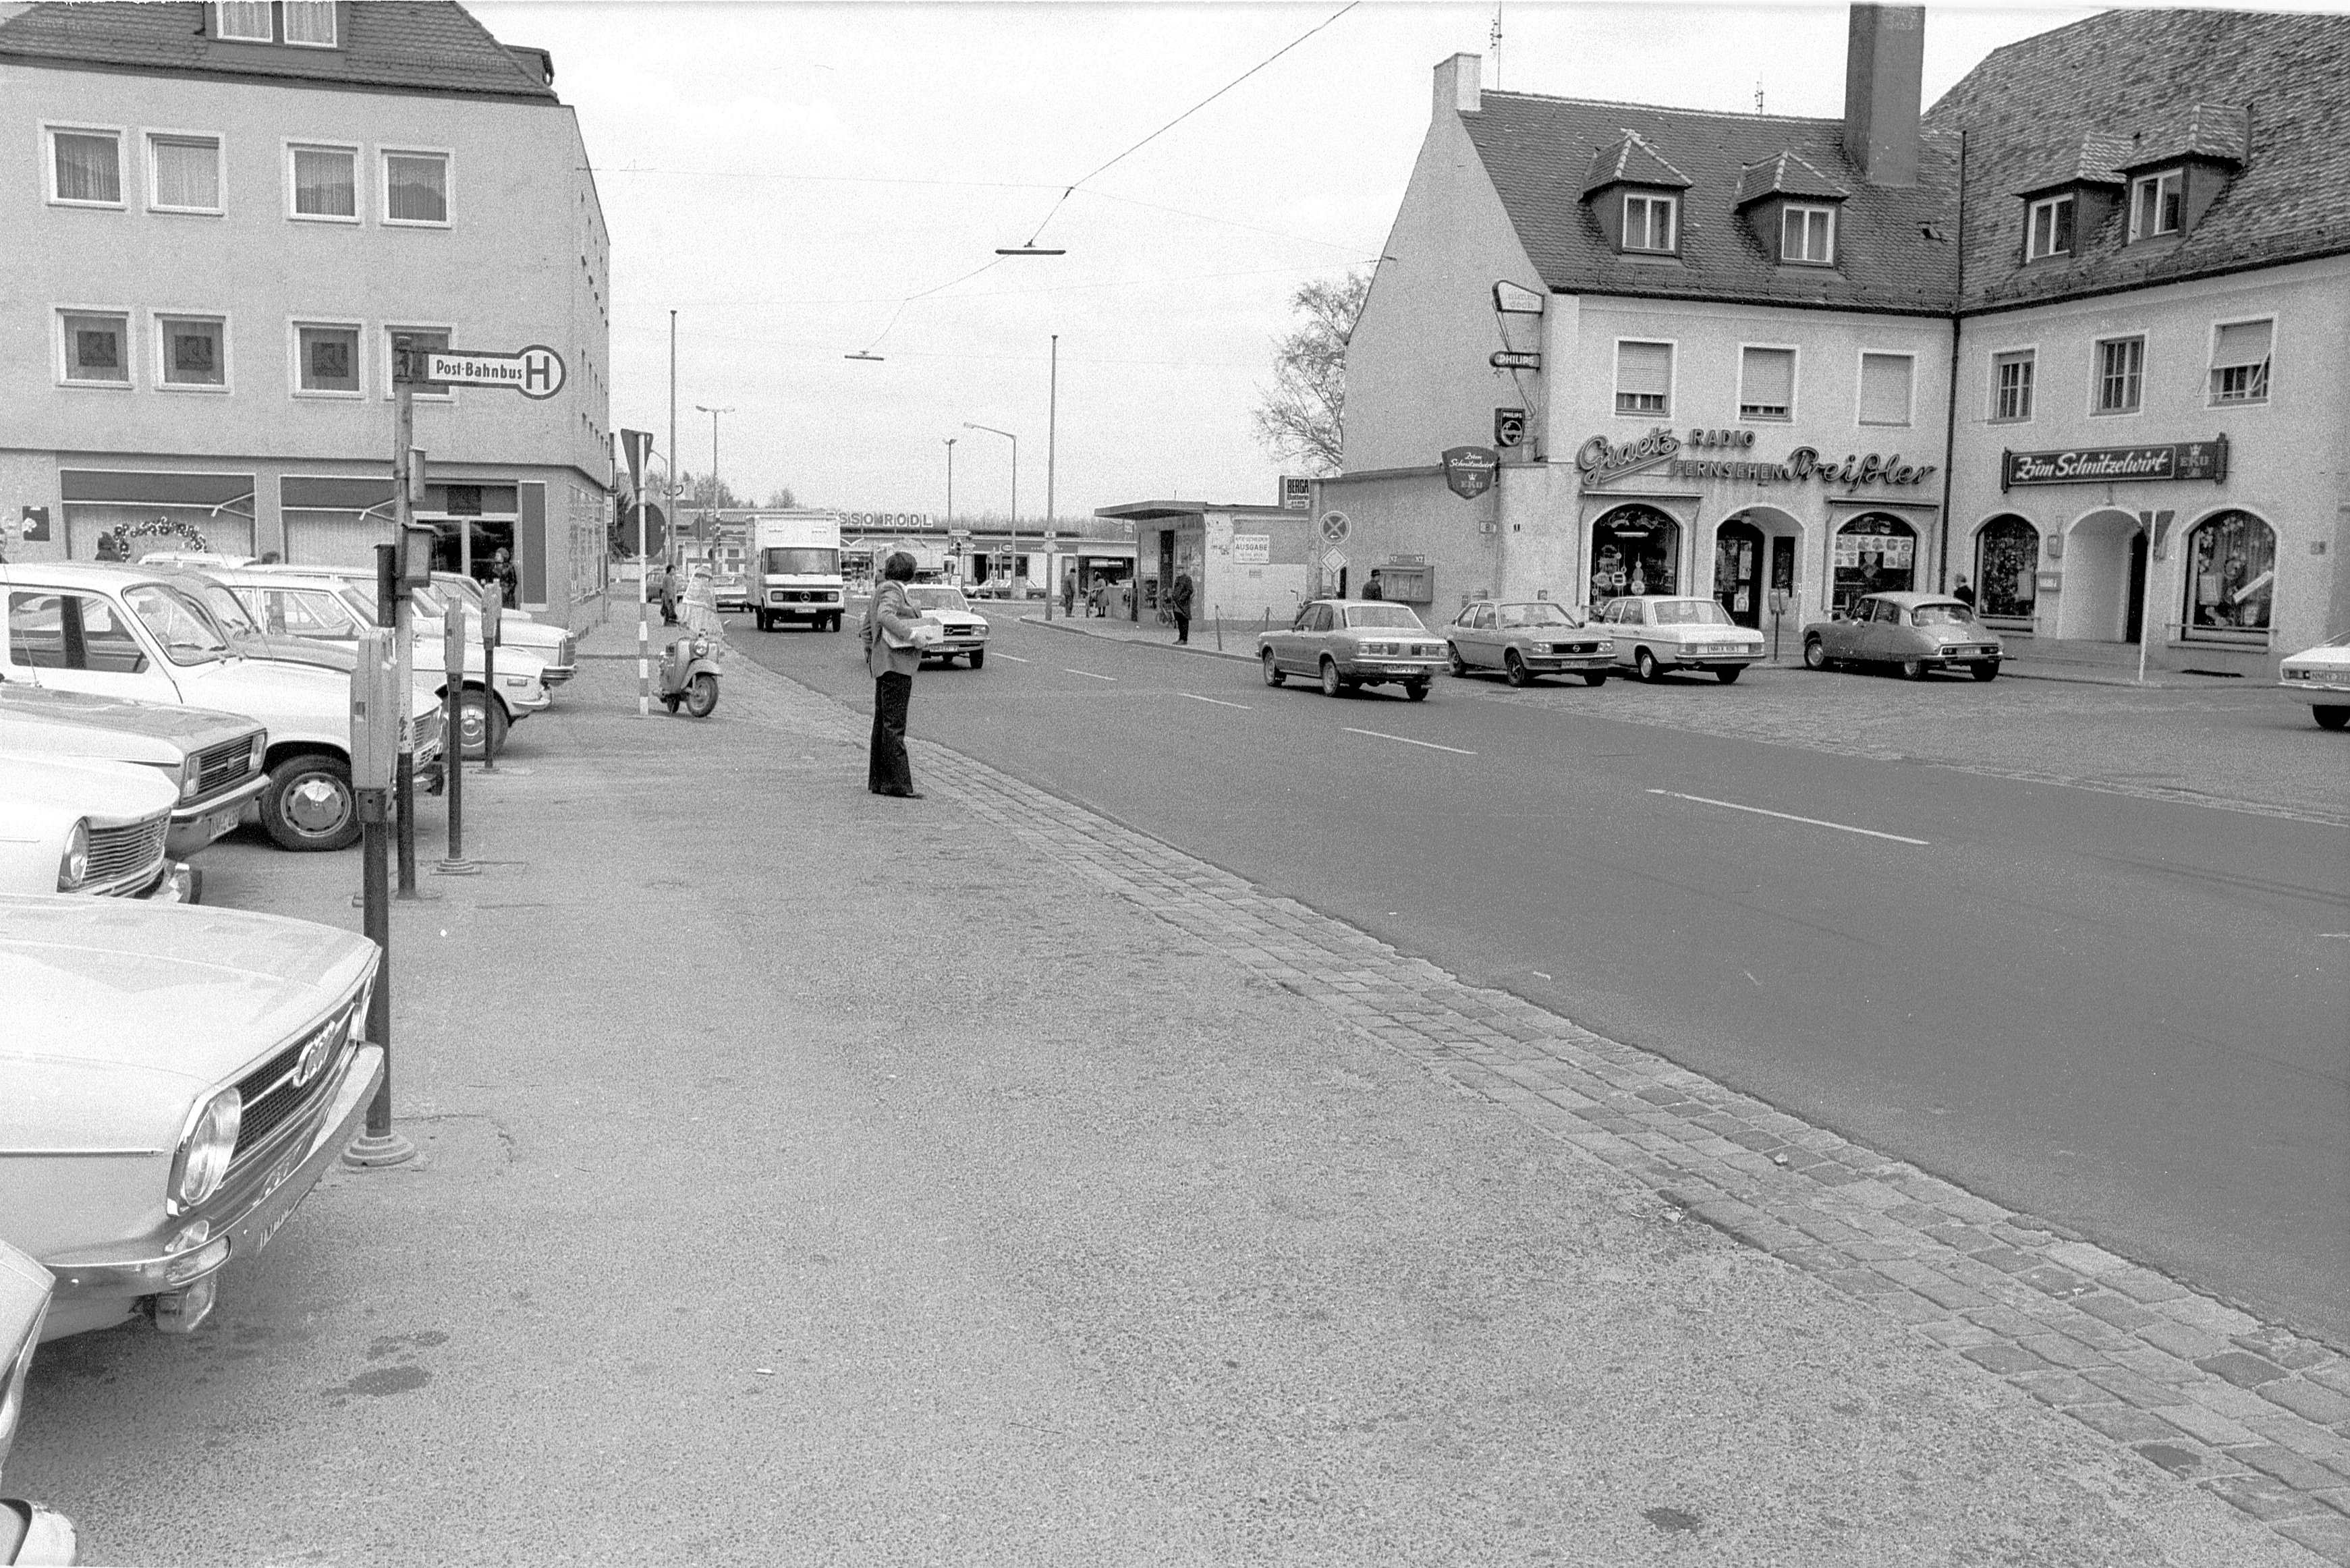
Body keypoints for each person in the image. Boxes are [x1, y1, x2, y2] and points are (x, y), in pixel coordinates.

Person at [861, 551, 925, 798]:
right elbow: (884, 617)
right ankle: (898, 785)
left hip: (882, 664)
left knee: (882, 725)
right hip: (896, 664)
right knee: (894, 726)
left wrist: (872, 651)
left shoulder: (880, 588)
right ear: (911, 573)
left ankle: (879, 782)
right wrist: (912, 635)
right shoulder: (895, 591)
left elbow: (866, 626)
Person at [1168, 569, 1194, 644]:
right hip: (1177, 604)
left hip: (1183, 604)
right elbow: (1176, 589)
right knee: (1179, 621)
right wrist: (1173, 596)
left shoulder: (1187, 579)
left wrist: (1182, 598)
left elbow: (1190, 590)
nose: (1178, 572)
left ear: (1183, 571)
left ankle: (1184, 639)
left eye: (1179, 571)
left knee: (1184, 621)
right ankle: (1180, 638)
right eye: (1177, 571)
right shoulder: (1177, 579)